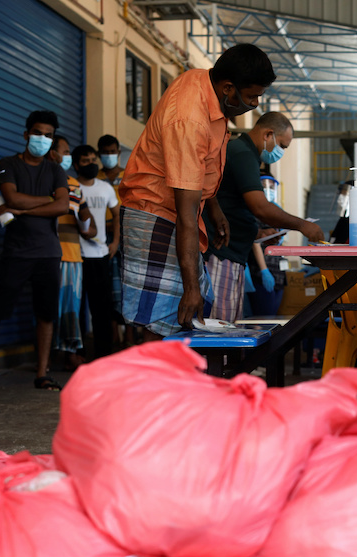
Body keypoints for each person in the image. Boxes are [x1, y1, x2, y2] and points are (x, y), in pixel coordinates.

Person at [118, 43, 276, 339]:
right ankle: (142, 383)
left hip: (175, 213)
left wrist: (214, 209)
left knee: (183, 312)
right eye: (252, 96)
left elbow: (198, 166)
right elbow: (186, 214)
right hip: (155, 212)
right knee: (160, 317)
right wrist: (191, 288)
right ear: (228, 88)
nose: (256, 104)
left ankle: (174, 382)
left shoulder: (204, 85)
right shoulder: (190, 119)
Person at [0, 110, 69, 392]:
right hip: (17, 251)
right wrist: (44, 200)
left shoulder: (56, 170)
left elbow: (63, 206)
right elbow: (14, 196)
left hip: (48, 253)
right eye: (38, 133)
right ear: (26, 134)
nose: (42, 139)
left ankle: (42, 373)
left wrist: (19, 207)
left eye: (49, 135)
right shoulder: (8, 164)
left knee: (45, 315)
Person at [203, 111, 324, 322]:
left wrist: (259, 234)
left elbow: (233, 207)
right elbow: (260, 208)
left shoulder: (244, 154)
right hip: (222, 251)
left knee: (228, 324)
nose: (281, 152)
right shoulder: (242, 153)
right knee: (219, 328)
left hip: (233, 252)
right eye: (282, 146)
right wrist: (302, 225)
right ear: (268, 135)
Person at [47, 134, 93, 370]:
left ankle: (70, 351)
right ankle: (47, 355)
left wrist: (83, 219)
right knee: (46, 306)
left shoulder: (73, 184)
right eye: (64, 152)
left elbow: (90, 227)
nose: (67, 156)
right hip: (45, 252)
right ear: (50, 153)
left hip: (71, 254)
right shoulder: (40, 180)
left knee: (70, 308)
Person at [74, 144, 120, 358]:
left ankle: (103, 355)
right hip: (75, 256)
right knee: (75, 308)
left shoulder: (106, 188)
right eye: (85, 161)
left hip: (100, 255)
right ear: (76, 165)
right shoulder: (71, 187)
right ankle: (76, 354)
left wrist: (115, 242)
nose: (91, 163)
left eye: (94, 159)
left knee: (101, 309)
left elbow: (117, 213)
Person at [96, 134, 133, 349]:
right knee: (107, 286)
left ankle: (129, 337)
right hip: (101, 237)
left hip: (127, 237)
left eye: (112, 152)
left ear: (118, 153)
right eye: (105, 152)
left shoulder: (128, 175)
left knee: (127, 285)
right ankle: (113, 337)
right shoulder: (95, 176)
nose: (109, 155)